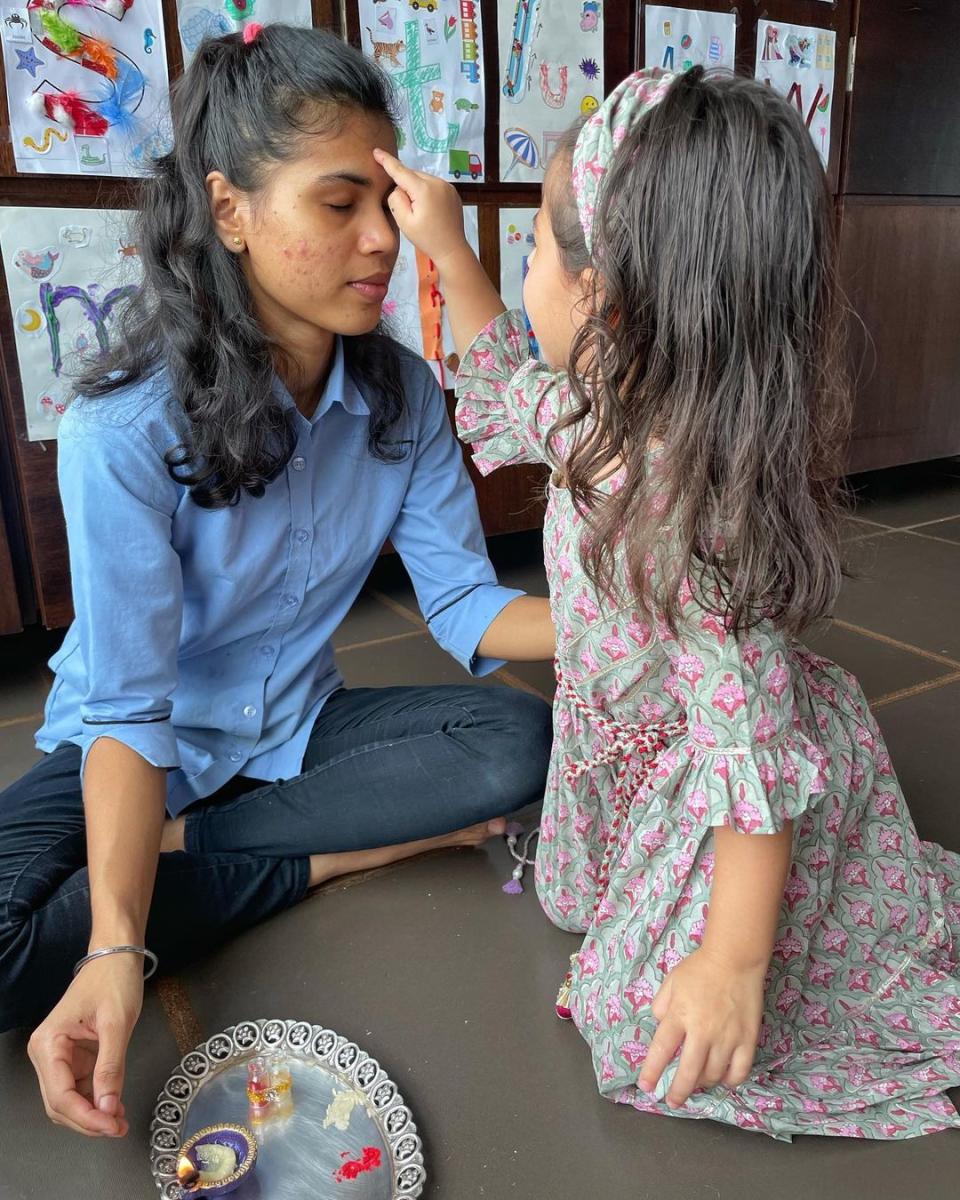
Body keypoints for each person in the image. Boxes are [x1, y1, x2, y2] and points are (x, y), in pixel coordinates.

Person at [373, 67, 960, 1139]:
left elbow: (748, 727)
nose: (528, 272)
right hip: (617, 742)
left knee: (644, 1030)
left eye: (536, 251)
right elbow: (509, 375)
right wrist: (447, 247)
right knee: (573, 904)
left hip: (715, 784)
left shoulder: (689, 519)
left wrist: (733, 959)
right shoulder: (603, 422)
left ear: (608, 297)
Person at [0, 26, 554, 1138]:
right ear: (231, 208)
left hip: (298, 733)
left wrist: (648, 617)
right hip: (129, 746)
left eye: (388, 206)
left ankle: (194, 855)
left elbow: (467, 609)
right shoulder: (125, 428)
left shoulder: (398, 398)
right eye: (337, 203)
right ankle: (344, 847)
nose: (379, 243)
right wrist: (115, 948)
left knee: (513, 746)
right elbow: (127, 709)